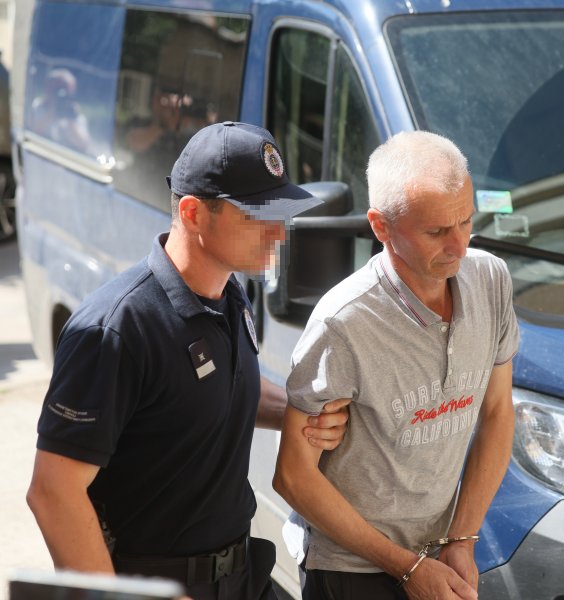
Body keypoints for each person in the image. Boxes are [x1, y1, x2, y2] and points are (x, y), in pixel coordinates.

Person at [27, 121, 350, 600]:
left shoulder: (229, 293)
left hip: (242, 576)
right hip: (154, 585)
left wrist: (297, 411)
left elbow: (223, 386)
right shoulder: (114, 329)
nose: (278, 233)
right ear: (193, 213)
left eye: (281, 214)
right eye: (257, 216)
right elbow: (53, 493)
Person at [273, 130, 520, 600]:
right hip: (350, 568)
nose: (458, 246)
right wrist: (407, 568)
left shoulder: (490, 279)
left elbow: (496, 413)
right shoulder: (342, 322)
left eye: (466, 221)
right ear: (381, 227)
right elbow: (292, 476)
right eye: (436, 232)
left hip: (437, 554)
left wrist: (462, 539)